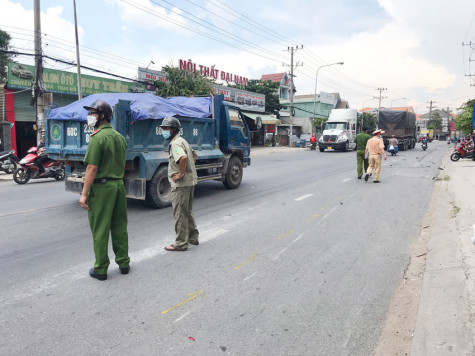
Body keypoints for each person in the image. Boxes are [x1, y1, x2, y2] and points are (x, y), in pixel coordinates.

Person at [79, 100, 130, 281]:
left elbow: (92, 168)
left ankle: (101, 269)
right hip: (118, 186)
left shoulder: (97, 137)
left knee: (100, 228)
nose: (90, 117)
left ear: (101, 116)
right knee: (119, 226)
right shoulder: (120, 138)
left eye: (93, 113)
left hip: (102, 188)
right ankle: (124, 263)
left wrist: (84, 194)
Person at [162, 117, 199, 252]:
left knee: (180, 213)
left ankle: (181, 243)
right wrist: (189, 171)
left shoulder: (176, 144)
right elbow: (194, 156)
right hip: (190, 182)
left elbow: (183, 158)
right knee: (187, 210)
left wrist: (181, 174)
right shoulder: (183, 141)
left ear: (174, 130)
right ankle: (193, 237)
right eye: (163, 129)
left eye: (166, 129)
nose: (164, 131)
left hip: (181, 184)